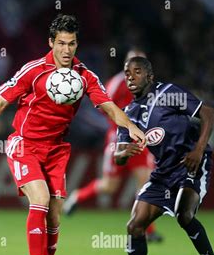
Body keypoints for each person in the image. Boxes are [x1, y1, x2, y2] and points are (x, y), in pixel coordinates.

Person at [0, 14, 146, 255]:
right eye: (61, 43)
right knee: (40, 199)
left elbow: (108, 106)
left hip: (56, 149)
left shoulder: (84, 75)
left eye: (71, 43)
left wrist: (131, 125)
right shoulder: (33, 70)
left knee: (54, 216)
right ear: (51, 43)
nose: (66, 50)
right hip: (24, 144)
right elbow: (1, 102)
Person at [116, 56, 214, 255]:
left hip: (191, 164)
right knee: (134, 225)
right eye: (127, 73)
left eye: (136, 72)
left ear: (150, 76)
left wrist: (198, 149)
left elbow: (209, 113)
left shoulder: (168, 93)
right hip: (163, 172)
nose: (130, 77)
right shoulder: (128, 113)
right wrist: (124, 152)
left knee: (184, 215)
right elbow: (118, 156)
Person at [63, 49, 163, 242]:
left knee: (145, 182)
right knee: (110, 186)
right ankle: (78, 196)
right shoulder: (117, 83)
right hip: (119, 141)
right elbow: (102, 106)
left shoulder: (151, 86)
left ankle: (145, 229)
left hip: (140, 141)